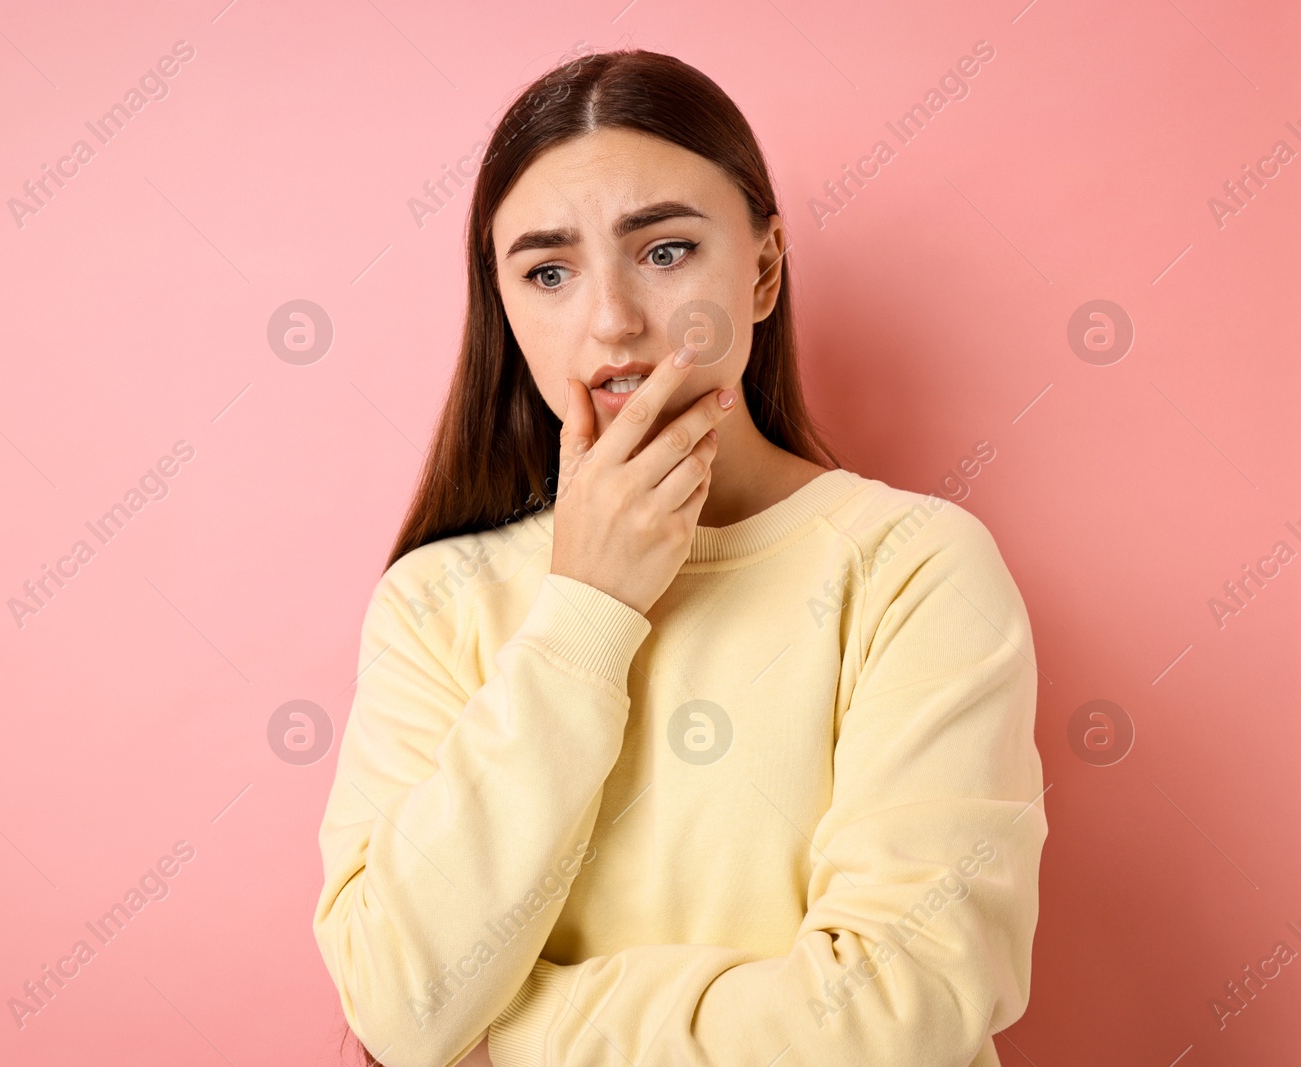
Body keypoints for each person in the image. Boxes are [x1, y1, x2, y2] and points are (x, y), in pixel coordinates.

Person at [313, 47, 1046, 1067]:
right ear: (505, 305)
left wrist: (516, 1029)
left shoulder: (910, 568)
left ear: (761, 269)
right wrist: (585, 609)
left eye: (662, 251)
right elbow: (398, 1004)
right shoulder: (437, 601)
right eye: (549, 271)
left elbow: (898, 1018)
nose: (611, 318)